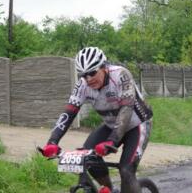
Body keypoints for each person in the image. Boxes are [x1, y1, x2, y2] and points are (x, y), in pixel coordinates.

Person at [42, 47, 153, 193]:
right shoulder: (82, 85)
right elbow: (69, 113)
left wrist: (112, 141)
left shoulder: (121, 74)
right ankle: (109, 189)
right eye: (83, 74)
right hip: (111, 124)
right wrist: (52, 141)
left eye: (92, 72)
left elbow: (126, 110)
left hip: (137, 125)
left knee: (126, 170)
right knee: (89, 159)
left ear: (104, 67)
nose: (88, 79)